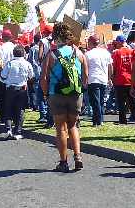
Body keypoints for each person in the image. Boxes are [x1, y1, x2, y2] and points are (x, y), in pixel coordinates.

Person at [41, 23, 88, 172]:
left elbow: (43, 78)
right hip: (75, 94)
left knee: (61, 128)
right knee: (73, 125)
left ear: (56, 37)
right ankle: (78, 156)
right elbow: (86, 76)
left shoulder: (52, 54)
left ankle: (63, 162)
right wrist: (82, 91)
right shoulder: (79, 53)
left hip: (57, 93)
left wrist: (45, 93)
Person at [0, 45, 34, 139]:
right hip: (22, 88)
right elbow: (31, 76)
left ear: (13, 53)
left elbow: (3, 76)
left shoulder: (9, 63)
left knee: (8, 108)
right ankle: (18, 131)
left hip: (11, 88)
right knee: (20, 110)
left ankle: (8, 129)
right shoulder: (27, 64)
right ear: (23, 53)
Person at [84, 35, 112, 127]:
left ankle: (98, 121)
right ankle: (97, 120)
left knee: (95, 102)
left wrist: (85, 80)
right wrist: (109, 78)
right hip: (103, 79)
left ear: (91, 42)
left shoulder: (88, 54)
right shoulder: (105, 52)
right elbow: (110, 66)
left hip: (93, 79)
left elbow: (85, 69)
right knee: (100, 101)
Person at [111, 35, 135, 125]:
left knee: (121, 102)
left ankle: (123, 120)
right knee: (132, 101)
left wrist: (112, 77)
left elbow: (114, 67)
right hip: (131, 79)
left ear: (119, 42)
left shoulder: (116, 53)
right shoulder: (132, 51)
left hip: (120, 79)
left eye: (116, 42)